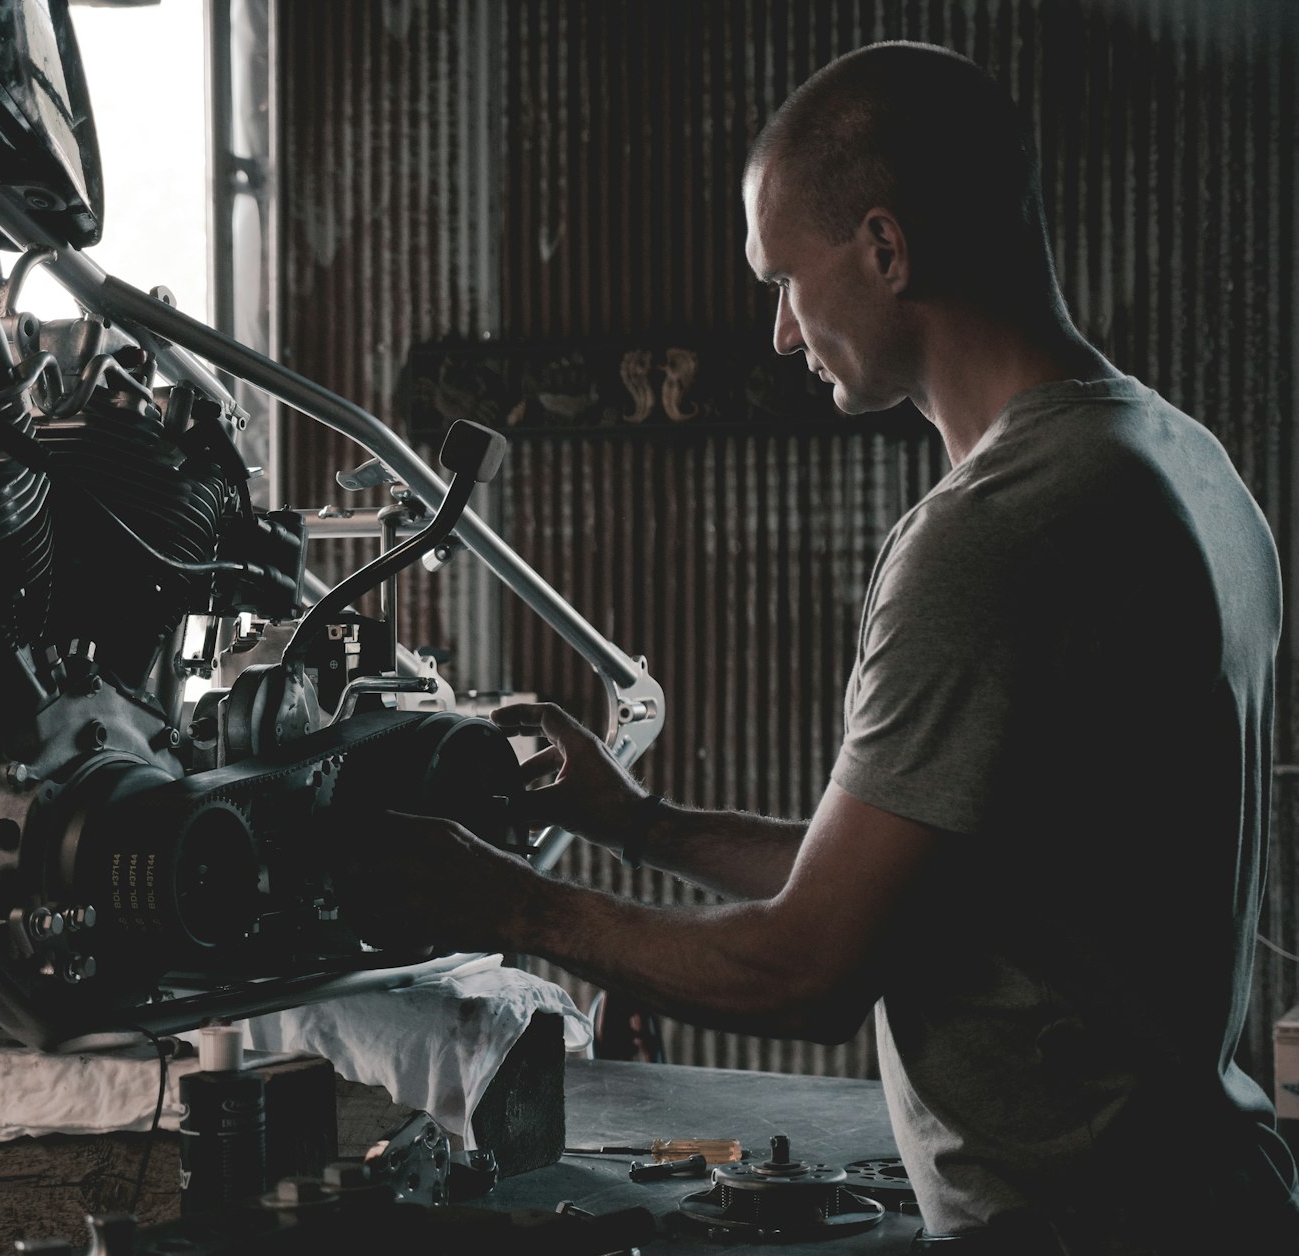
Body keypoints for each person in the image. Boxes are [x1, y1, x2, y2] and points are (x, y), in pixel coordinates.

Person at [344, 40, 1299, 1255]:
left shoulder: (992, 536)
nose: (783, 334)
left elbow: (808, 967)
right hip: (1214, 1196)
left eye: (786, 281)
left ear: (888, 250)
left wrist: (504, 903)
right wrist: (633, 820)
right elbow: (929, 893)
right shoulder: (1185, 465)